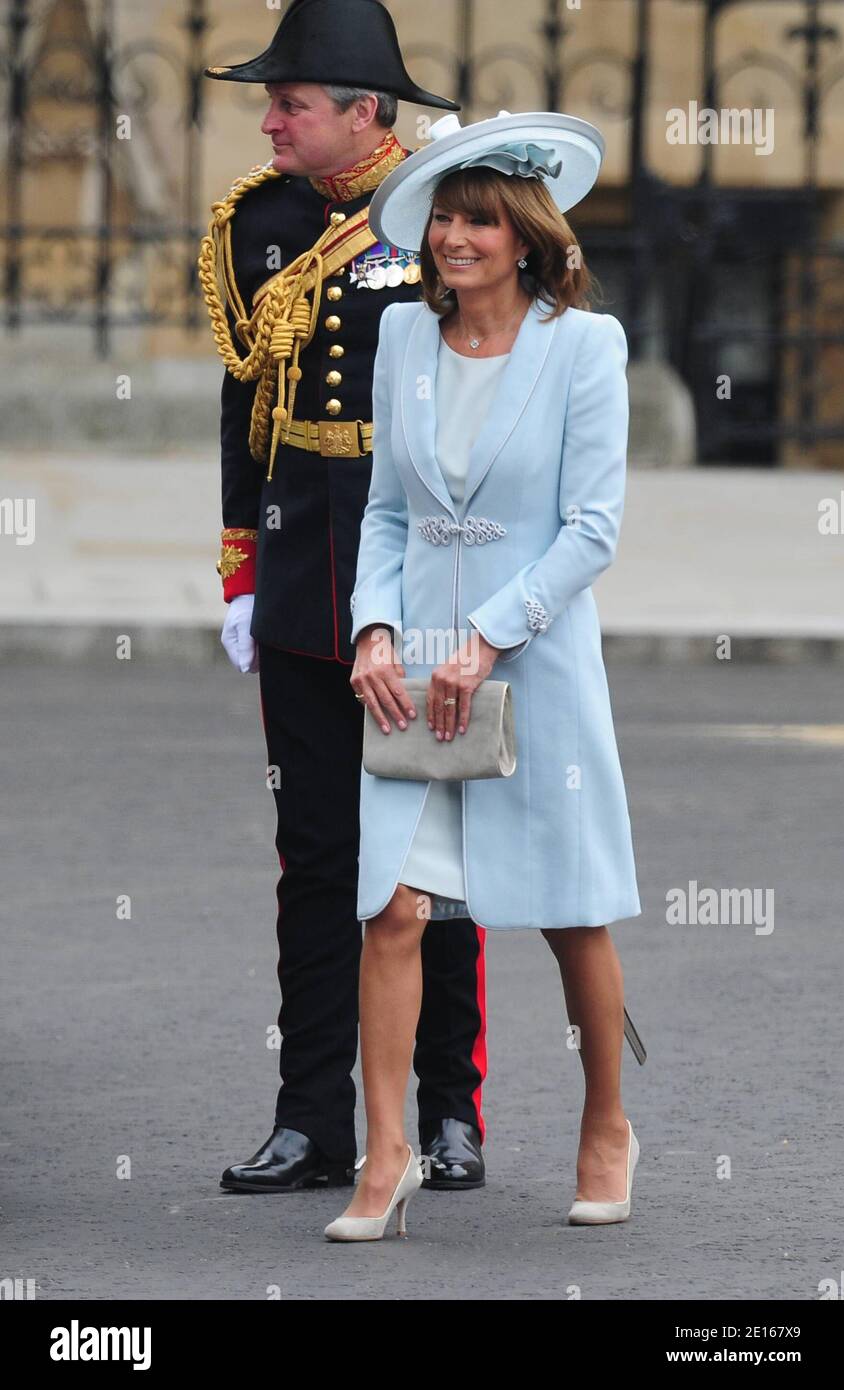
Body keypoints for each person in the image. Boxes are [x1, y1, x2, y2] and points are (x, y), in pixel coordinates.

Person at [324, 110, 643, 1241]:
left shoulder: (582, 348)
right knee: (393, 913)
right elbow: (389, 514)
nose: (455, 239)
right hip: (415, 677)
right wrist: (371, 628)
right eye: (444, 219)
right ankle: (386, 1156)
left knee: (568, 913)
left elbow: (591, 528)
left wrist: (494, 632)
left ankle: (605, 1122)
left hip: (536, 667)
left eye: (478, 221)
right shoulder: (403, 341)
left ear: (524, 238)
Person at [197, 0, 489, 1195]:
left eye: (293, 104)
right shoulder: (256, 222)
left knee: (438, 856)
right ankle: (311, 1118)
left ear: (365, 113)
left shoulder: (445, 217)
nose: (269, 121)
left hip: (421, 573)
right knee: (313, 854)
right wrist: (238, 568)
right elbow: (241, 410)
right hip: (301, 564)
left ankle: (447, 1112)